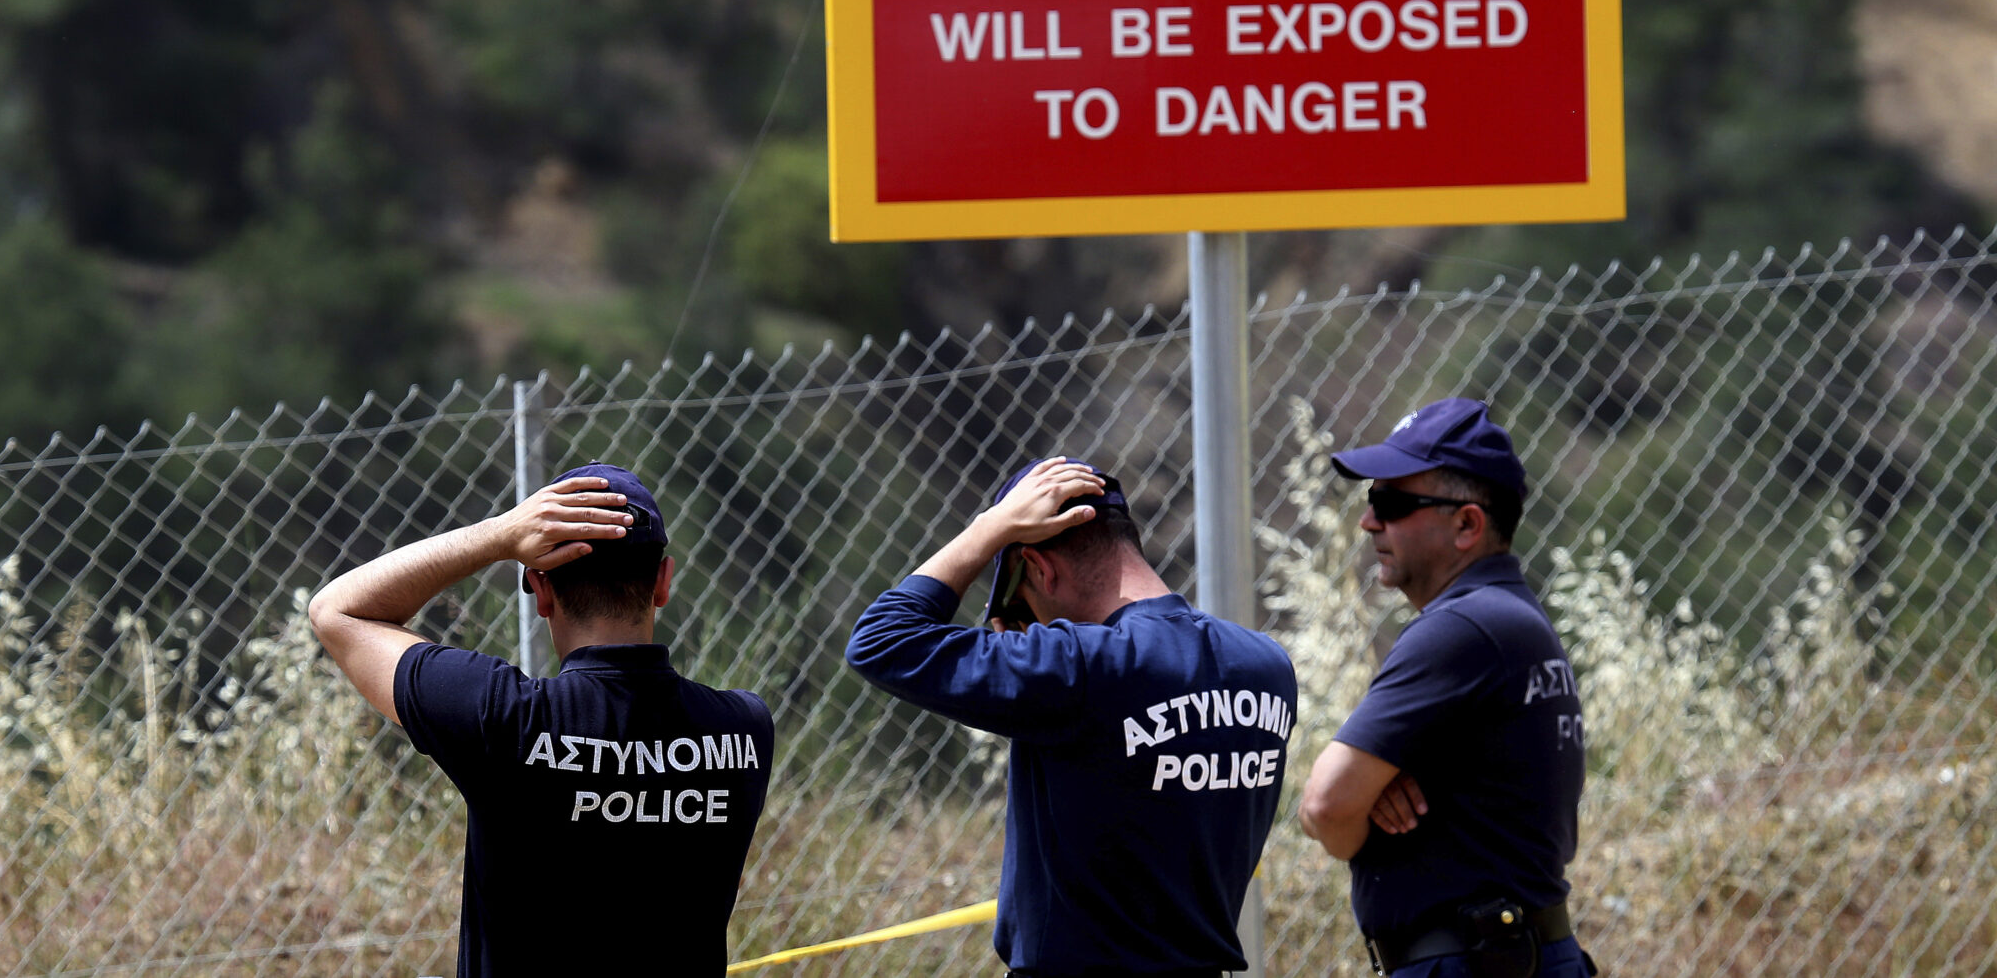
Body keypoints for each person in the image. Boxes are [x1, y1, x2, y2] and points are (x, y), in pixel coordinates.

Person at [307, 462, 774, 978]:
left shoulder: (504, 717)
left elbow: (337, 611)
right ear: (662, 582)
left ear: (541, 591)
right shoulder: (745, 731)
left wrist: (500, 535)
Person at [846, 456, 1299, 978]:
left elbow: (881, 639)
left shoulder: (1076, 666)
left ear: (1041, 569)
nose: (1024, 630)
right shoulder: (1266, 665)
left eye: (1019, 608)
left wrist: (990, 528)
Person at [1295, 399, 1595, 978]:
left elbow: (1326, 808)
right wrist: (1371, 788)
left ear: (1467, 525)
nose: (1369, 522)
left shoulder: (1461, 628)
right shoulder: (1510, 618)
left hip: (1472, 963)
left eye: (1393, 504)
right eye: (1371, 500)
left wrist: (1361, 802)